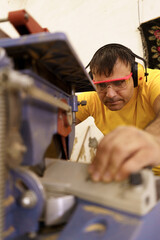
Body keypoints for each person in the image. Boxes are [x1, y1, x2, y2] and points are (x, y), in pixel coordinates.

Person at [76, 43, 160, 182]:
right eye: (101, 85)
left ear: (136, 76)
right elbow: (58, 117)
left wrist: (152, 138)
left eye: (119, 82)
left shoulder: (152, 81)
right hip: (129, 179)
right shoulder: (93, 96)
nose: (110, 94)